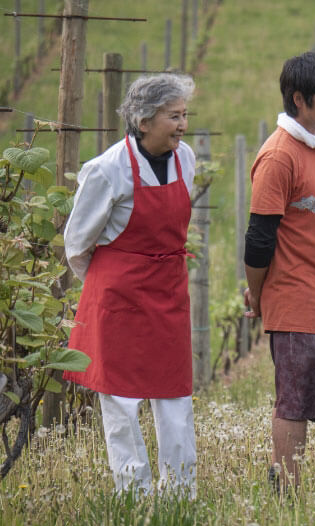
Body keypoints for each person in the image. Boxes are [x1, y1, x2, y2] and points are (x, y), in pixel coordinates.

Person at [63, 74, 198, 496]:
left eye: (184, 115)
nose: (182, 125)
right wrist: (109, 286)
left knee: (174, 396)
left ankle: (179, 494)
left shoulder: (186, 159)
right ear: (143, 121)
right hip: (117, 296)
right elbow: (77, 243)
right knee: (120, 399)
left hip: (168, 291)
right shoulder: (107, 171)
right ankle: (133, 495)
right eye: (173, 116)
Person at [243, 51, 315, 495]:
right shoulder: (279, 157)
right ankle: (284, 491)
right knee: (293, 402)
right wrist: (257, 293)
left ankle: (287, 483)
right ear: (299, 99)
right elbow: (259, 238)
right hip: (293, 299)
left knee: (304, 402)